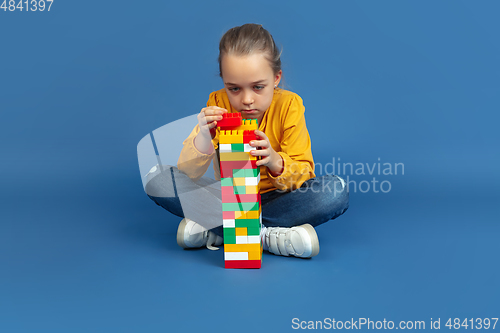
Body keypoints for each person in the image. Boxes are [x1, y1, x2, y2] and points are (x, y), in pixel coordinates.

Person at [145, 23, 349, 259]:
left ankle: (223, 232)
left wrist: (274, 160)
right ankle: (269, 237)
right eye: (234, 89)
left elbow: (304, 174)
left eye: (258, 87)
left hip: (278, 198)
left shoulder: (290, 106)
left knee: (335, 190)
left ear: (276, 78)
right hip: (228, 199)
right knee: (157, 177)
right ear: (224, 82)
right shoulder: (217, 103)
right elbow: (188, 172)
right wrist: (203, 136)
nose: (247, 99)